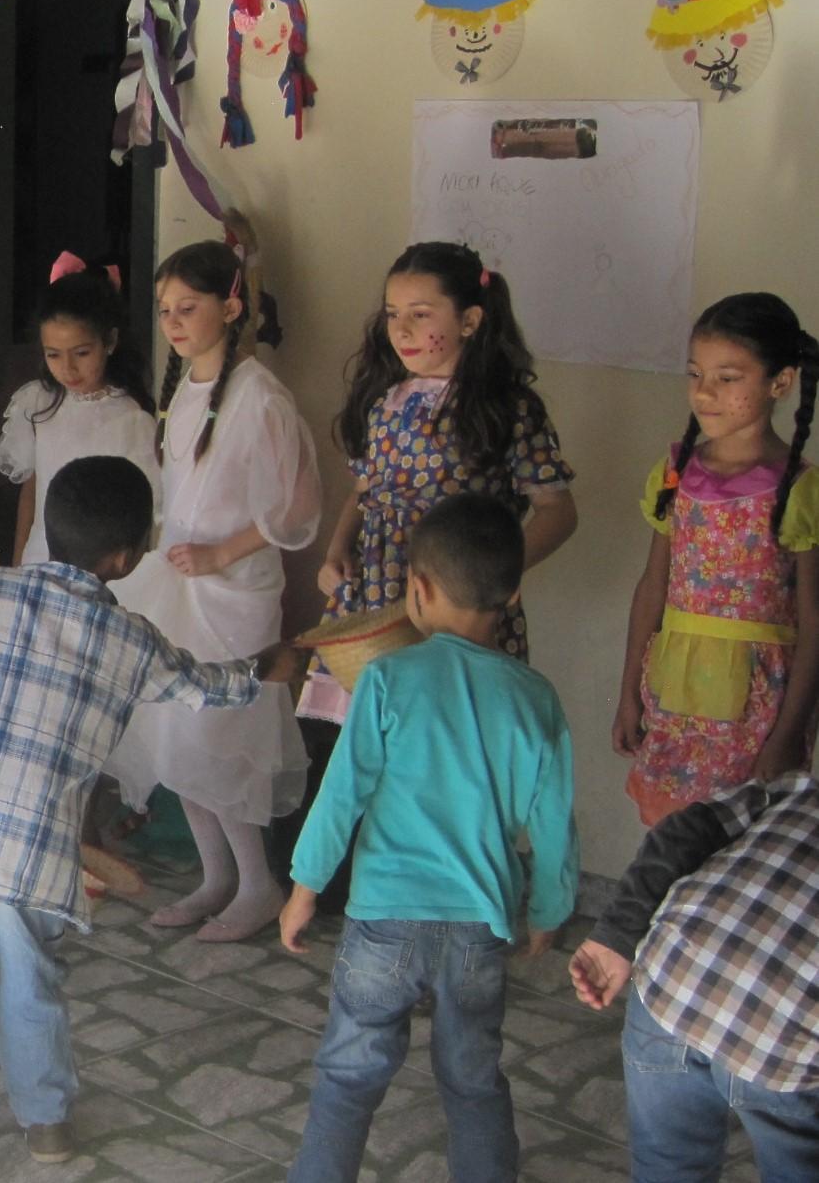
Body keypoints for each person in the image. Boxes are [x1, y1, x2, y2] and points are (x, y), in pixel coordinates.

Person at [0, 456, 301, 1180]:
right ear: (129, 556)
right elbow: (205, 686)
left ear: (45, 528)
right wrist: (265, 669)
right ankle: (46, 1127)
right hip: (37, 850)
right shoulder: (130, 639)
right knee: (32, 985)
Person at [280, 493, 578, 1183]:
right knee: (474, 1084)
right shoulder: (537, 698)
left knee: (347, 1078)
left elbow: (341, 795)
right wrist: (551, 911)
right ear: (513, 590)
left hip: (383, 921)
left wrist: (304, 889)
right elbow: (556, 821)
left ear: (416, 590)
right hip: (478, 927)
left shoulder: (387, 678)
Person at [108, 239, 323, 942]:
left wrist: (221, 551)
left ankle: (258, 884)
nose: (172, 322)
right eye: (165, 310)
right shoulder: (182, 391)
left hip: (232, 592)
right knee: (175, 733)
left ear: (230, 307)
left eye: (188, 308)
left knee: (220, 735)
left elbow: (295, 507)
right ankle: (217, 876)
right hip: (181, 584)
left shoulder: (260, 396)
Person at [299, 242, 577, 728]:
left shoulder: (508, 408)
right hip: (379, 600)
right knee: (380, 733)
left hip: (458, 608)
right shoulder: (383, 400)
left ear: (469, 321)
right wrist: (337, 549)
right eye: (392, 314)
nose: (401, 329)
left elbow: (558, 511)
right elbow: (366, 492)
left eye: (421, 314)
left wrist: (490, 574)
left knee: (449, 733)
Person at [614, 293, 819, 825]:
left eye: (727, 378)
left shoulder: (798, 489)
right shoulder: (676, 472)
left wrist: (790, 731)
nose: (704, 392)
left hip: (757, 706)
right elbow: (652, 587)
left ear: (781, 382)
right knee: (669, 840)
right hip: (674, 693)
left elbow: (813, 621)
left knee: (738, 837)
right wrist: (628, 694)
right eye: (695, 374)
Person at [568, 774, 819, 1182]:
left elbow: (687, 829)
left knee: (668, 1169)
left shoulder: (799, 791)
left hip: (675, 980)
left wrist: (616, 934)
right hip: (781, 1034)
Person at [0, 264, 159, 567]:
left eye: (81, 353)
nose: (67, 368)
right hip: (40, 557)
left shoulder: (131, 420)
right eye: (53, 354)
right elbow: (32, 491)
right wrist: (18, 561)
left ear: (109, 342)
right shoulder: (39, 403)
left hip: (101, 567)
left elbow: (142, 513)